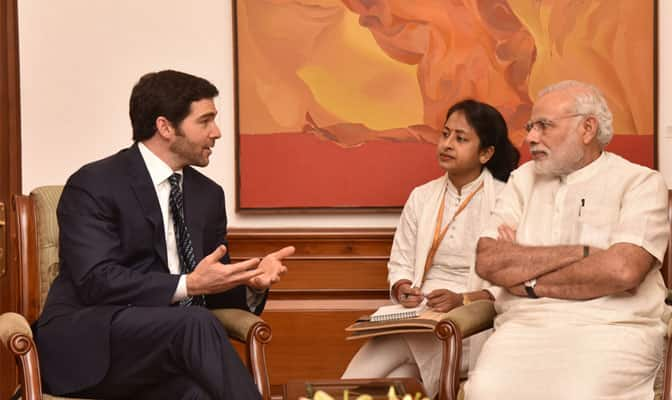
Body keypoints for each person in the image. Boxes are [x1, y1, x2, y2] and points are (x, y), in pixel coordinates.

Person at [34, 70, 294, 400]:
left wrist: (252, 282)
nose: (217, 132)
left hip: (170, 353)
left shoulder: (207, 195)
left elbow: (215, 295)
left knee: (197, 393)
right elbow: (95, 280)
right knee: (194, 322)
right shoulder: (94, 184)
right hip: (96, 343)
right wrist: (188, 284)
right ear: (165, 127)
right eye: (205, 121)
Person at [467, 80, 671, 399]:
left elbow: (623, 271)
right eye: (530, 127)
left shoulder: (641, 182)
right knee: (484, 391)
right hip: (524, 328)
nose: (531, 137)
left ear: (587, 128)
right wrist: (584, 252)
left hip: (612, 329)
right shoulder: (522, 180)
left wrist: (527, 280)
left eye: (544, 126)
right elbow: (489, 260)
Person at [342, 99, 520, 397]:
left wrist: (462, 299)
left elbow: (512, 280)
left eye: (461, 138)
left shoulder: (507, 200)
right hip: (418, 315)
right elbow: (399, 262)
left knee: (380, 383)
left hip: (472, 321)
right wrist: (401, 288)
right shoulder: (421, 197)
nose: (448, 144)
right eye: (445, 134)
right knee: (375, 383)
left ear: (486, 153)